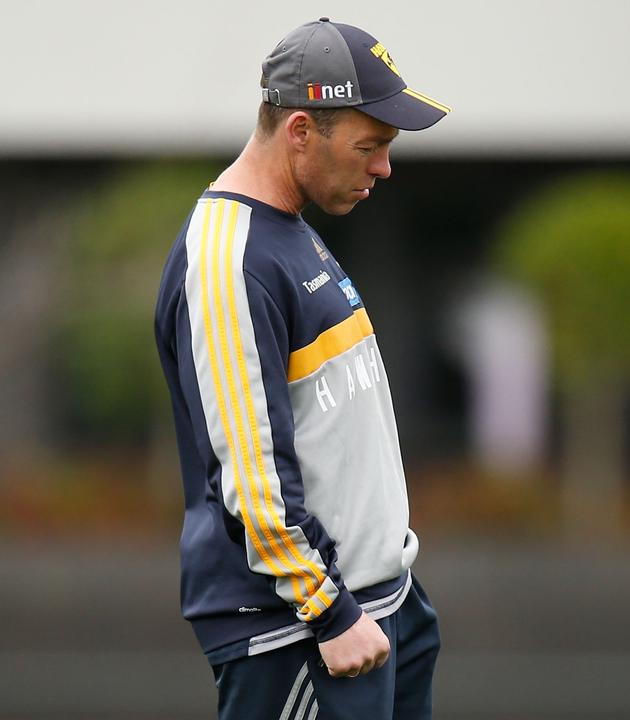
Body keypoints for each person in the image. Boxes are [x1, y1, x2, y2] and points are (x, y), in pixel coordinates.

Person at [154, 18, 451, 720]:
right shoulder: (231, 258)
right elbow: (251, 472)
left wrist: (390, 594)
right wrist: (330, 613)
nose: (383, 167)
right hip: (304, 631)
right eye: (369, 147)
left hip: (377, 604)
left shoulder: (288, 227)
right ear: (298, 133)